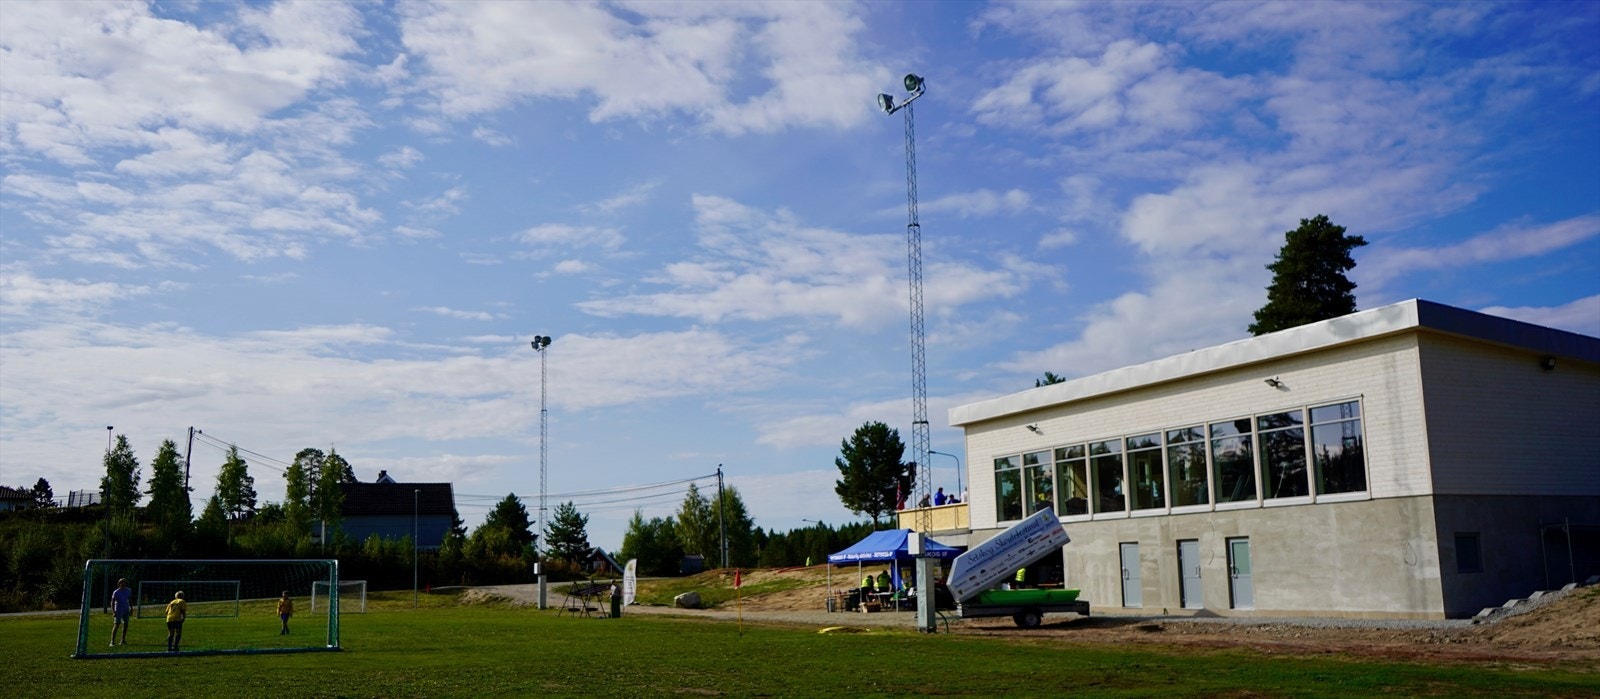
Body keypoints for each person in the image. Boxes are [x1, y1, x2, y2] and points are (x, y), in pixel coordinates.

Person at [110, 578, 132, 646]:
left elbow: (129, 599)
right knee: (117, 624)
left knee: (126, 624)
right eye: (122, 582)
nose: (123, 584)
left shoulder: (128, 590)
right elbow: (112, 602)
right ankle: (112, 642)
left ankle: (123, 640)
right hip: (118, 609)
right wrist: (113, 611)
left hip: (126, 608)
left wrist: (131, 608)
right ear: (119, 584)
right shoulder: (116, 592)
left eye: (124, 582)